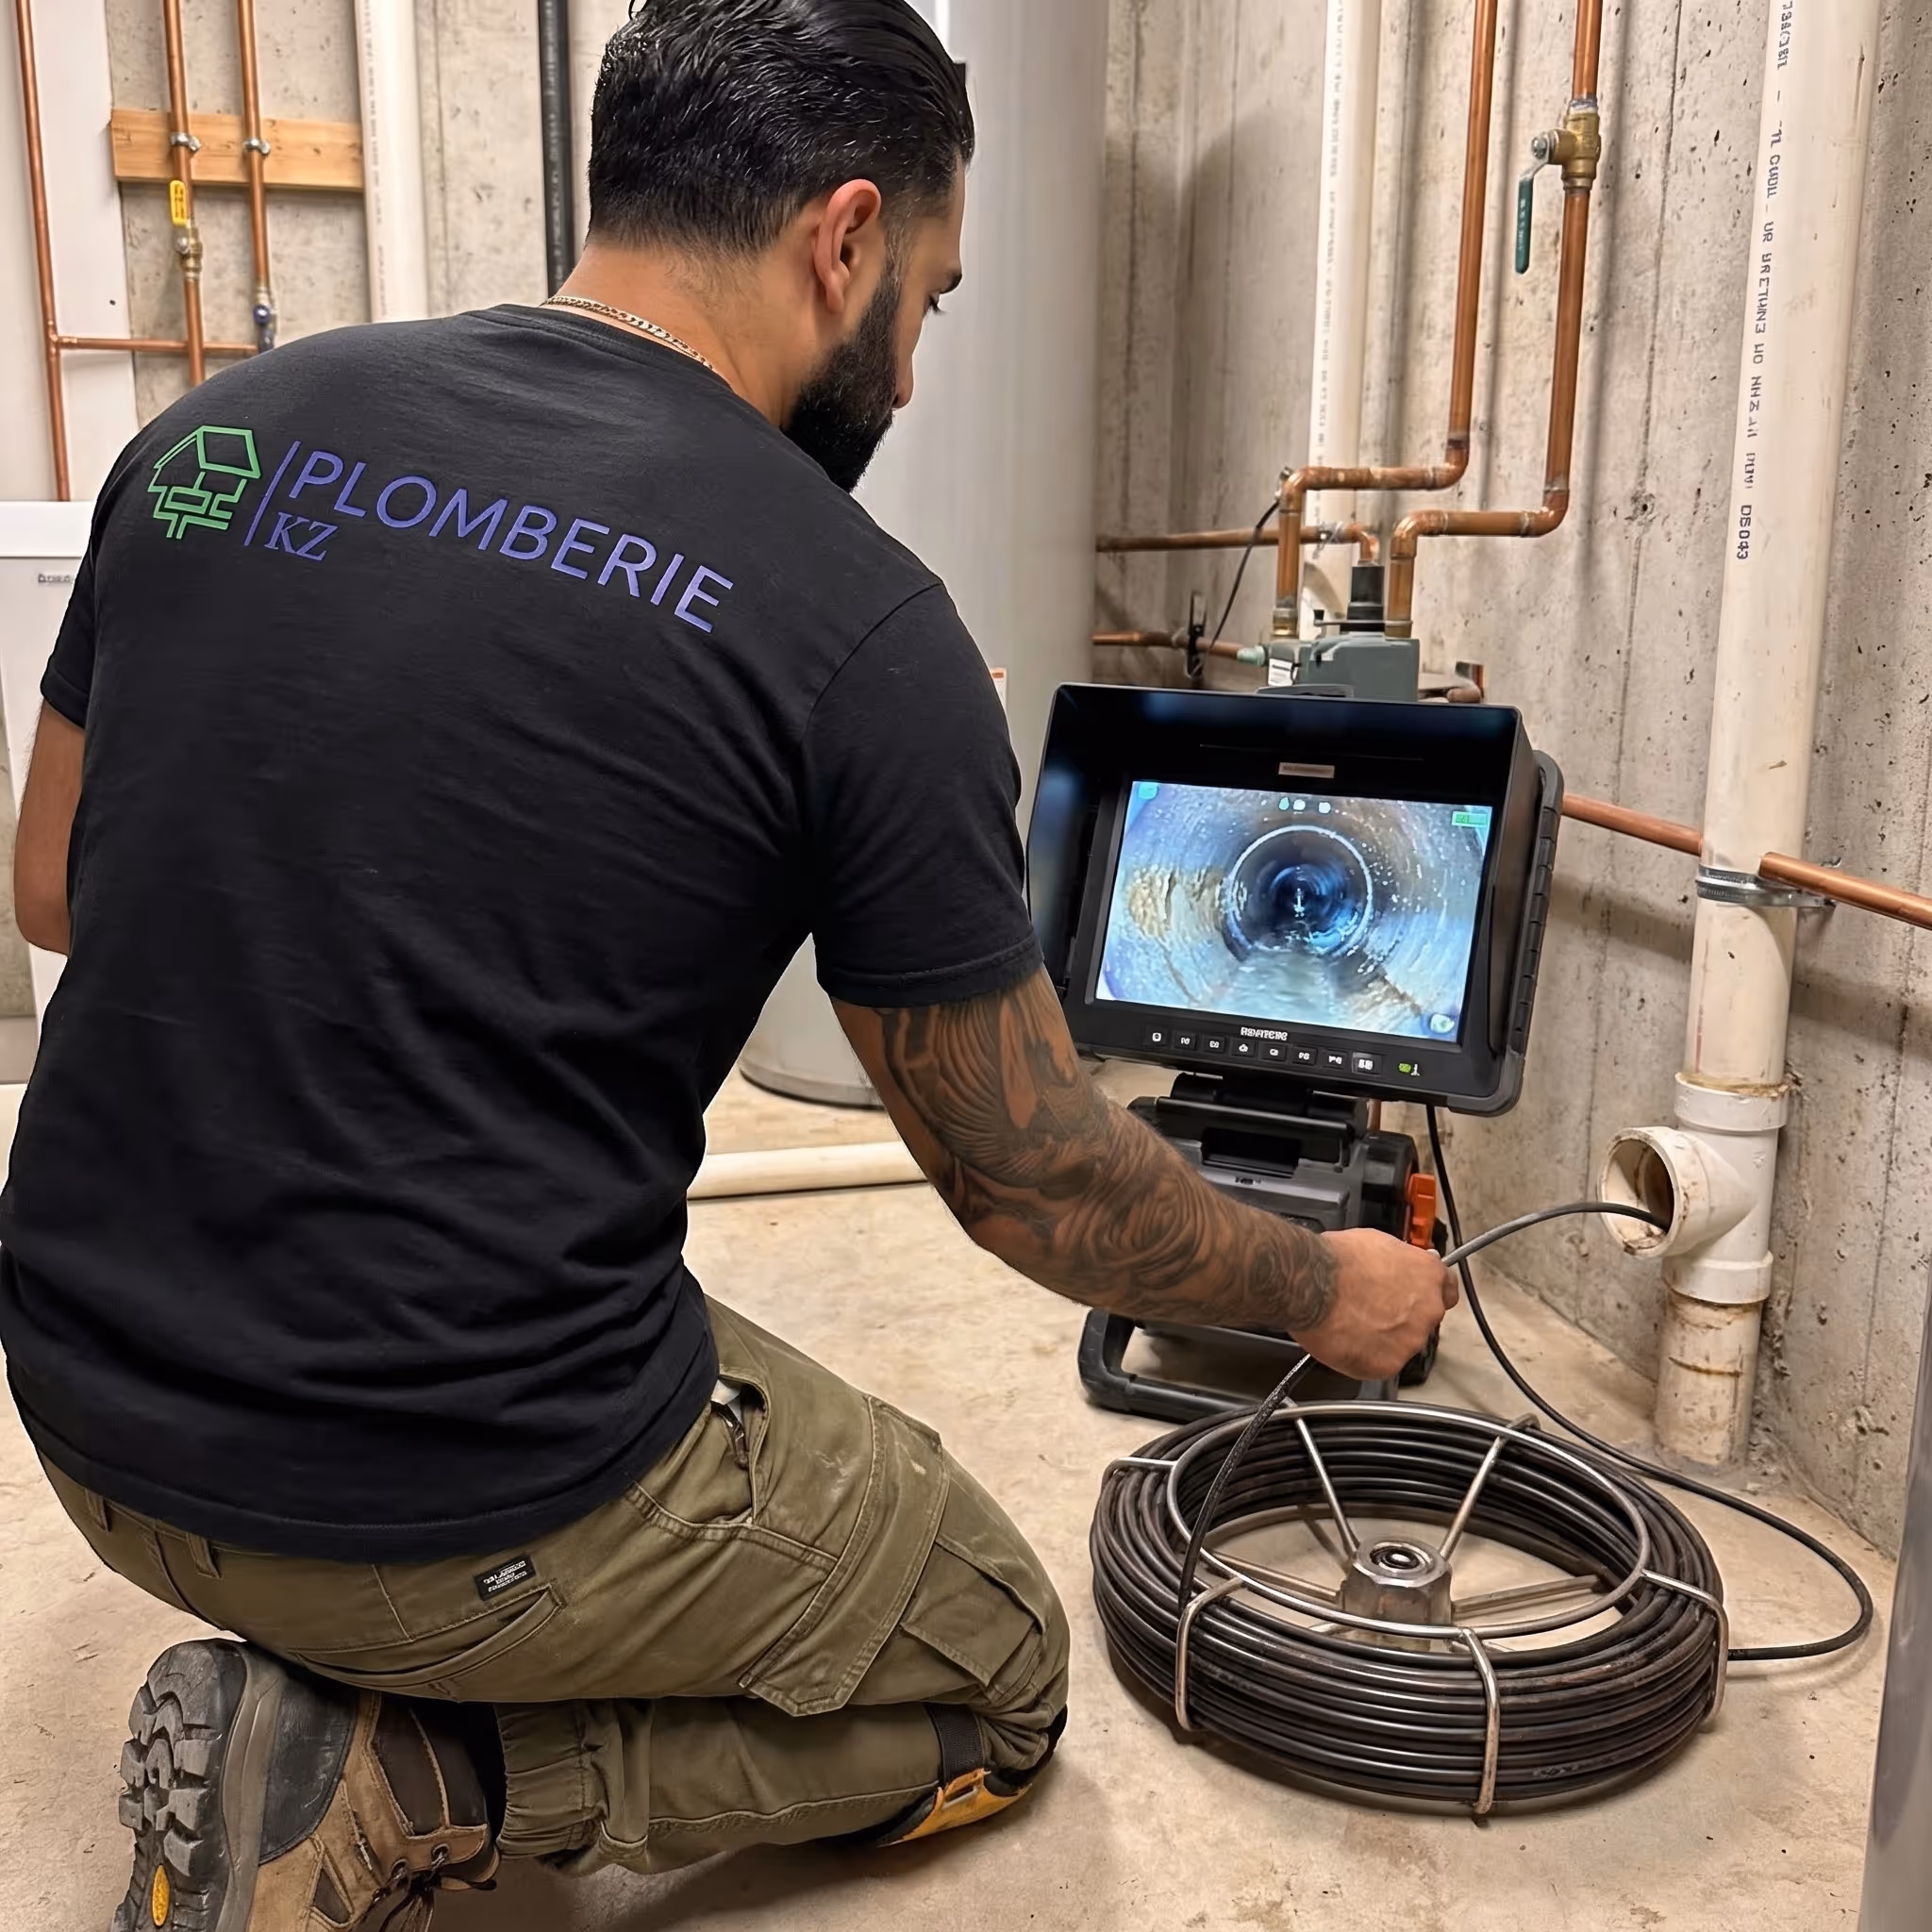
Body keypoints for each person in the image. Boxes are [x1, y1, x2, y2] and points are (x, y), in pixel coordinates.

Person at [0, 2, 1457, 1926]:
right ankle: (418, 1765)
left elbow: (51, 891)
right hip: (443, 1505)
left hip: (84, 1416)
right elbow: (1028, 1185)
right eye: (927, 300)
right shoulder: (851, 621)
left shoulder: (209, 444)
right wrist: (1317, 1290)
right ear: (841, 239)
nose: (918, 373)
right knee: (993, 1667)